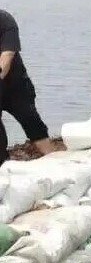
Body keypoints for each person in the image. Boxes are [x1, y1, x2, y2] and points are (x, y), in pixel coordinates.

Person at [0, 9, 56, 167]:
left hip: (15, 86)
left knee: (32, 122)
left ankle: (54, 161)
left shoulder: (5, 21)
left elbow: (6, 58)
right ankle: (3, 163)